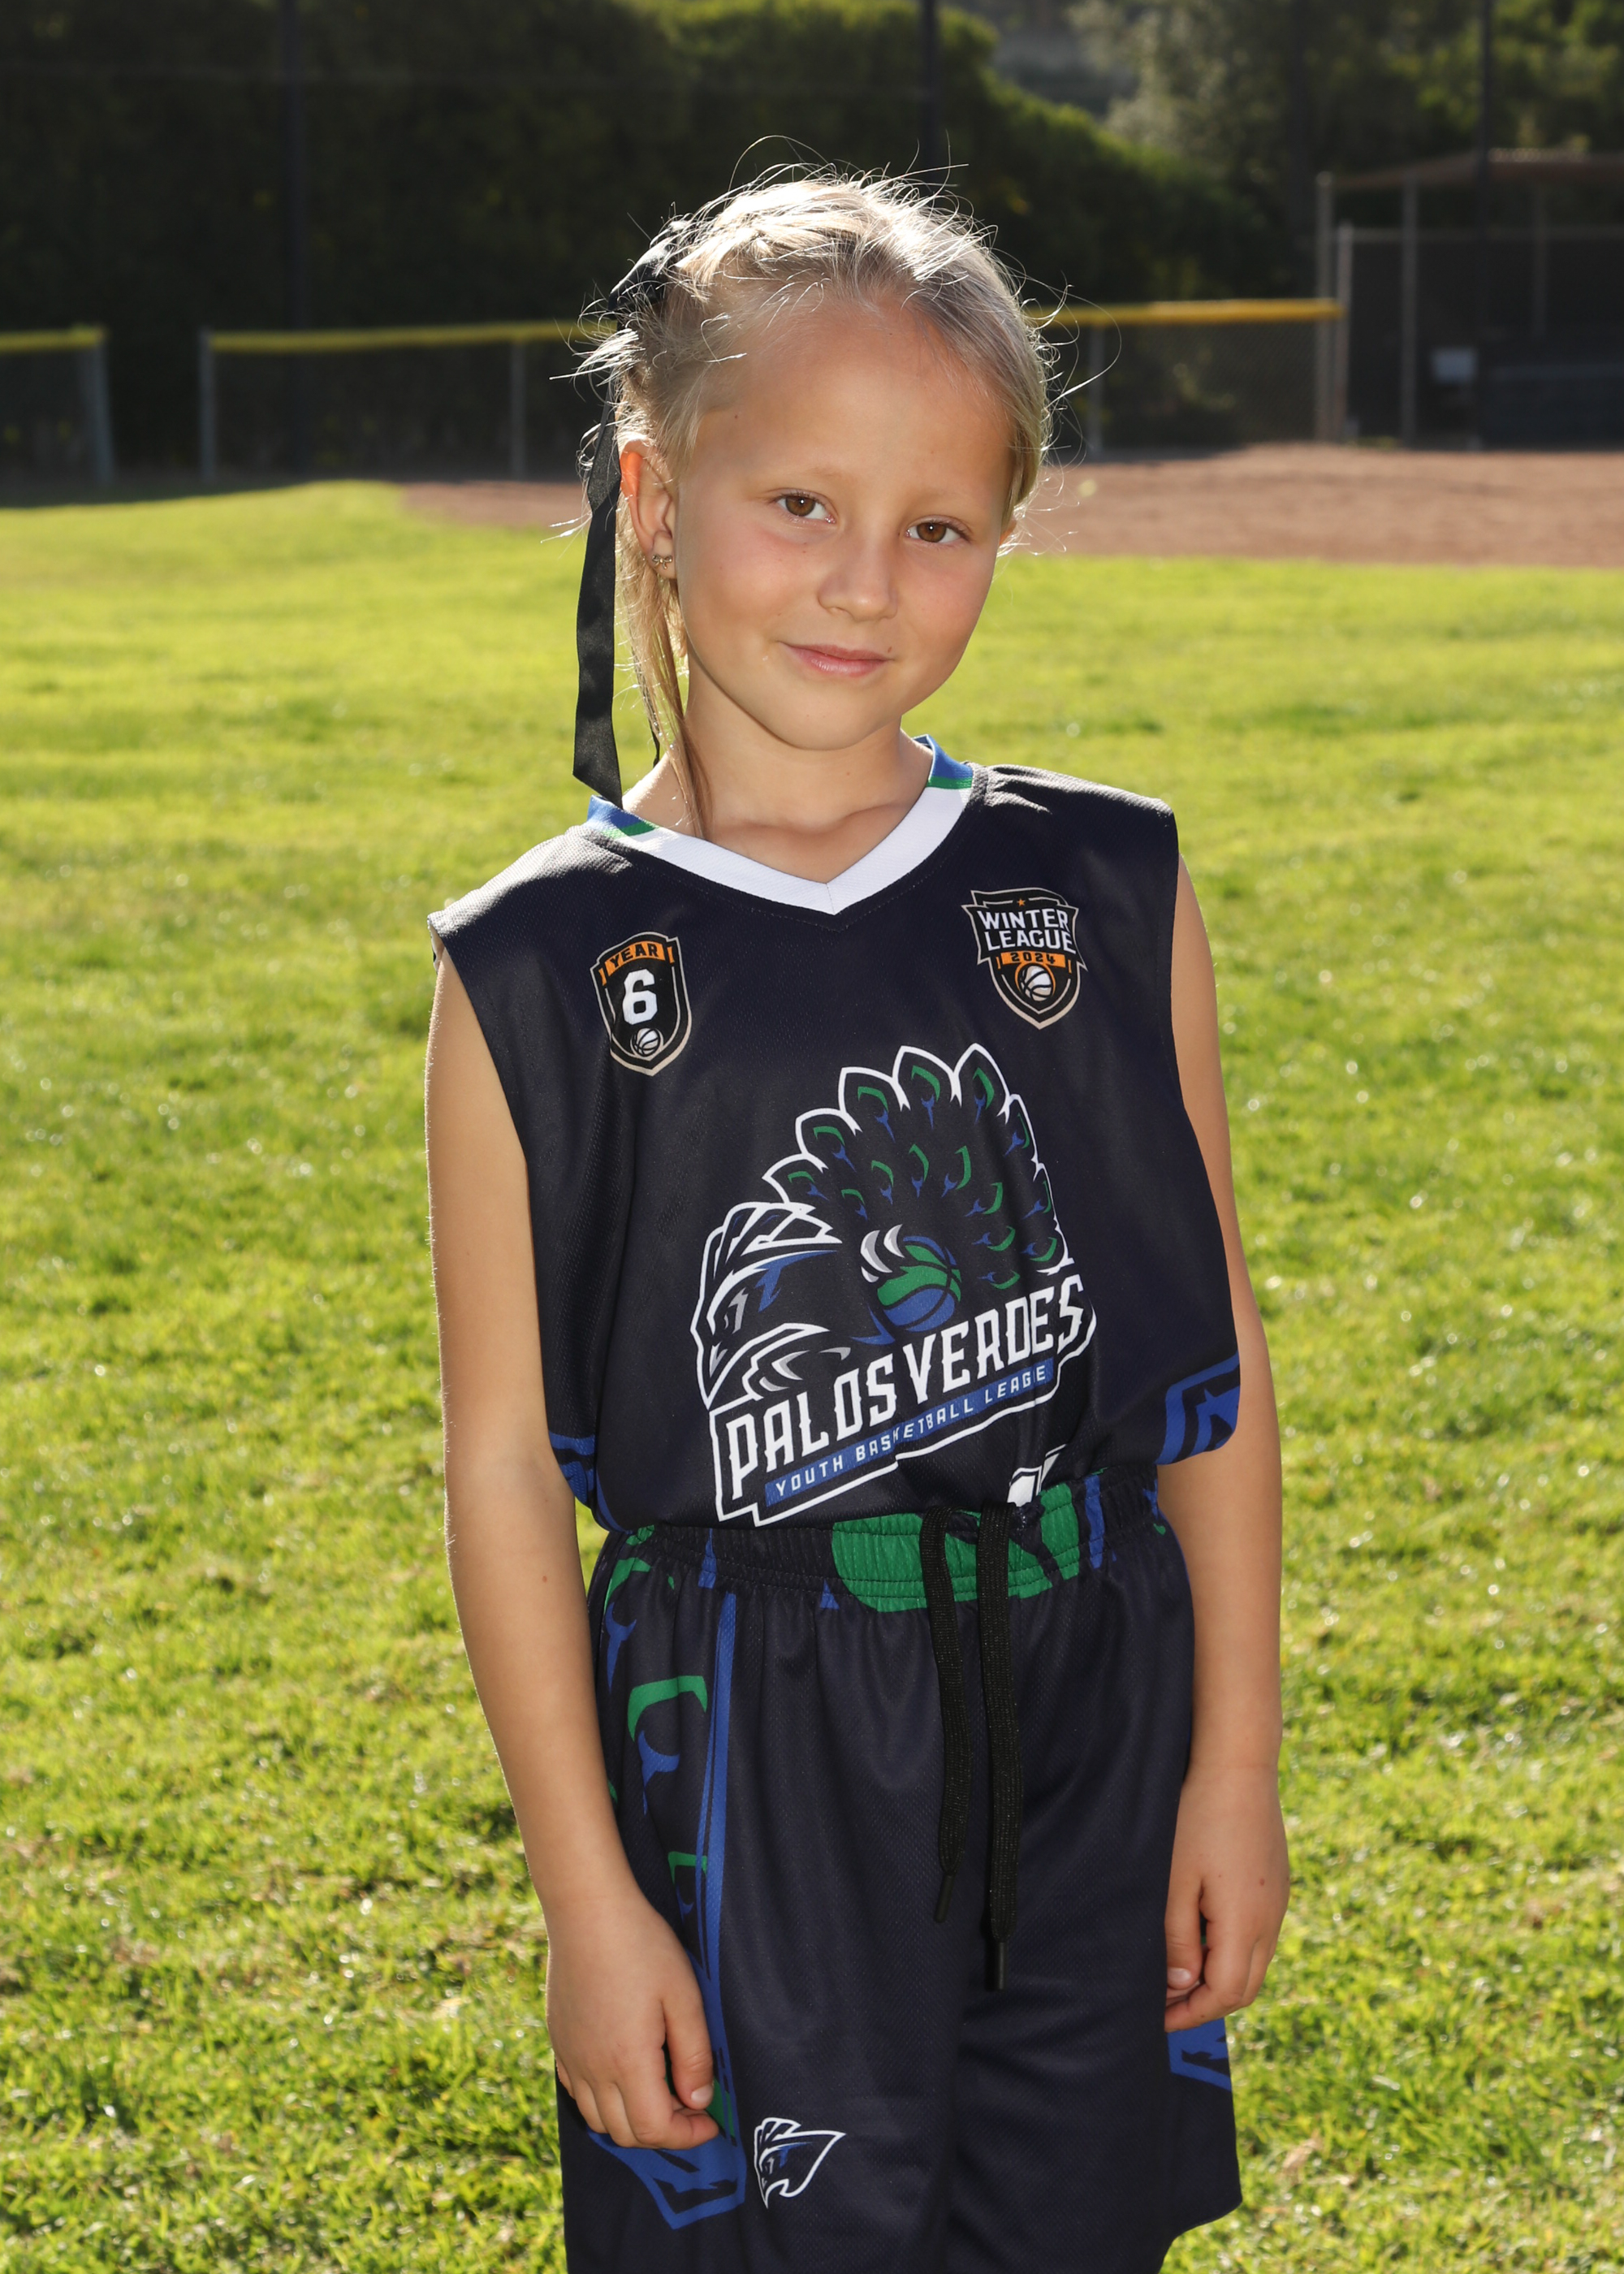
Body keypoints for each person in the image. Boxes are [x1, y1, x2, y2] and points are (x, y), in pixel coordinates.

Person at [425, 171, 1288, 2274]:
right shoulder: (537, 969)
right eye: (800, 503)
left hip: (1089, 1709)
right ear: (654, 497)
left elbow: (1210, 1366)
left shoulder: (1096, 894)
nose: (863, 582)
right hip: (750, 1742)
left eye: (940, 526)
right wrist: (587, 1901)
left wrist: (1234, 1767)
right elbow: (503, 1468)